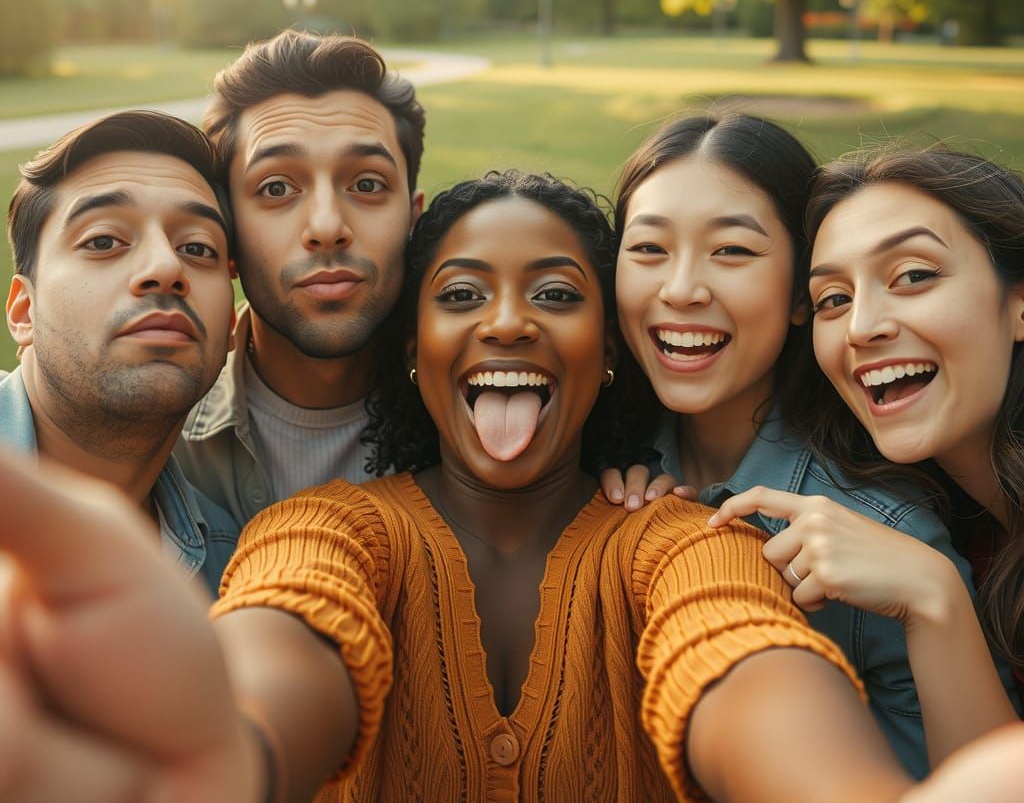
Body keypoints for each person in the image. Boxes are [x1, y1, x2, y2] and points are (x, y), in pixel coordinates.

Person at [0, 171, 915, 802]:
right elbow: (289, 630)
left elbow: (742, 655)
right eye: (462, 295)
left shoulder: (689, 543)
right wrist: (231, 759)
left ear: (607, 352)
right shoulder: (321, 530)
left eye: (556, 296)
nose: (509, 323)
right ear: (412, 346)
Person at [607, 114, 1014, 776]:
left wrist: (932, 594)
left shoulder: (882, 529)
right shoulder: (596, 455)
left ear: (792, 296)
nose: (681, 289)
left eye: (732, 250)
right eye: (648, 248)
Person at [713, 144, 1024, 762]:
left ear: (1016, 302)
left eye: (913, 275)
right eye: (833, 298)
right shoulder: (945, 513)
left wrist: (934, 600)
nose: (860, 327)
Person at [174, 29, 427, 523]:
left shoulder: (484, 418)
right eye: (276, 187)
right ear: (225, 236)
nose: (327, 227)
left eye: (368, 183)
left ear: (414, 222)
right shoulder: (154, 435)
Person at [1, 110, 239, 594]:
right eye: (104, 240)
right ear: (25, 311)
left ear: (230, 325)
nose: (166, 266)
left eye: (197, 248)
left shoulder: (237, 571)